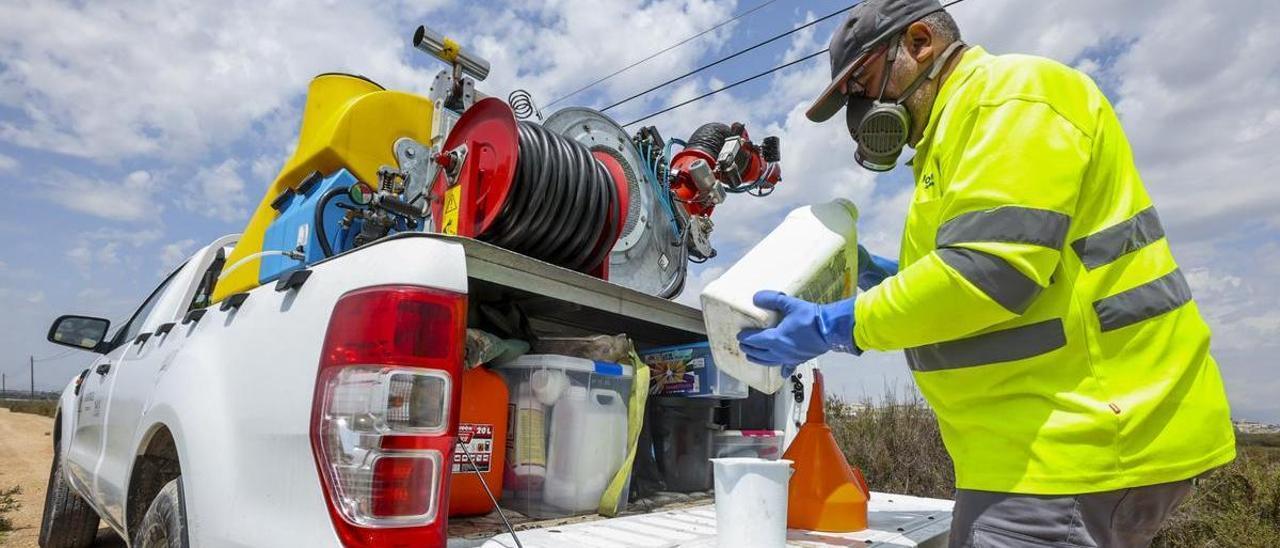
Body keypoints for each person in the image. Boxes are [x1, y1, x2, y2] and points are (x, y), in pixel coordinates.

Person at [735, 1, 1236, 546]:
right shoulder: (953, 134)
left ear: (920, 41)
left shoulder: (1010, 97)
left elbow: (987, 275)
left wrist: (839, 325)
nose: (860, 111)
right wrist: (888, 276)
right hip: (1041, 449)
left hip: (1076, 445)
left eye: (862, 83)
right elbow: (991, 271)